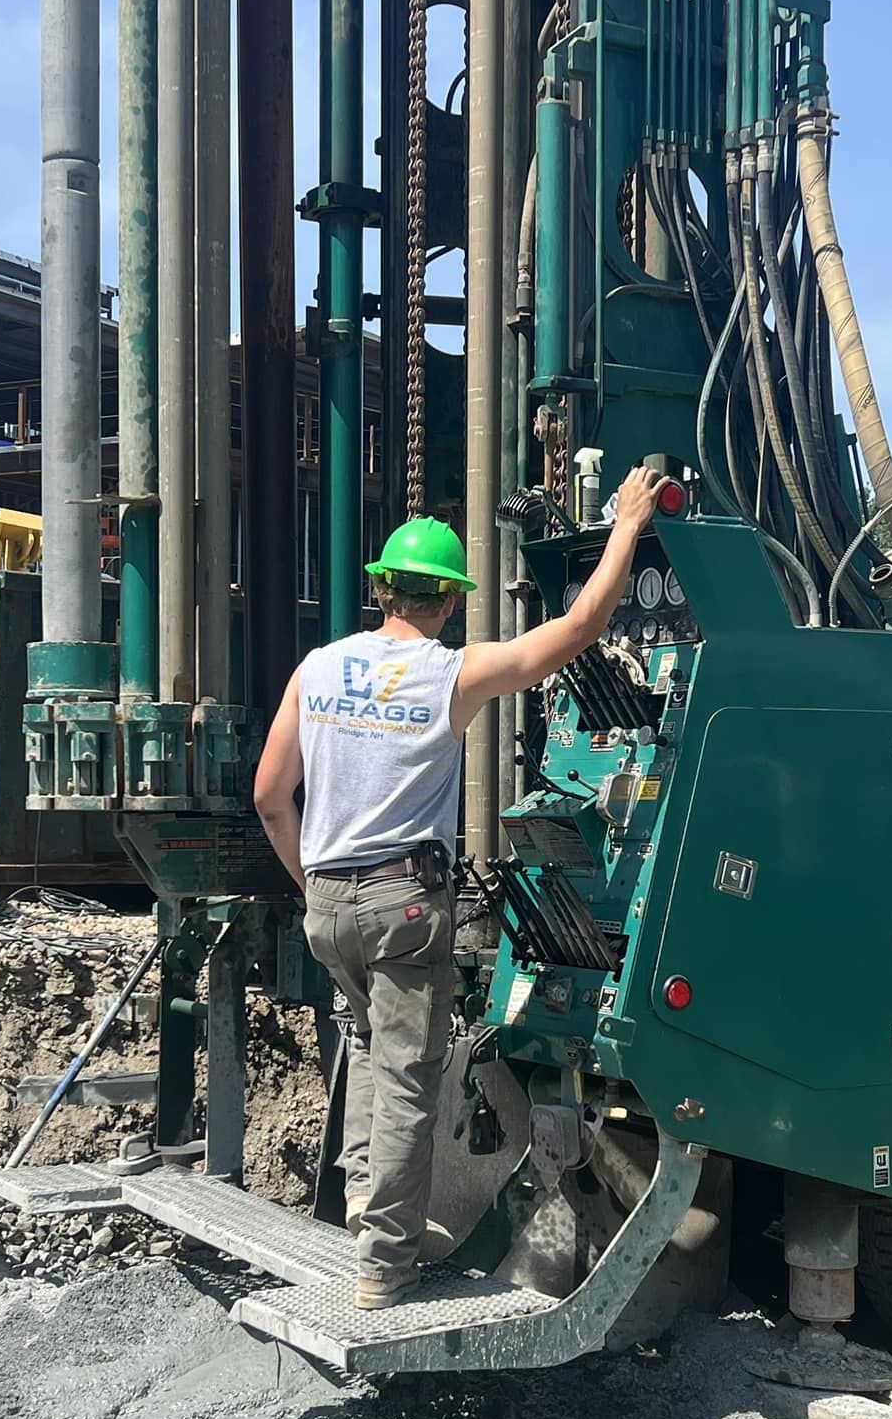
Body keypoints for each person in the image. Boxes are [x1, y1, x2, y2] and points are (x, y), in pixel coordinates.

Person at [254, 465, 667, 1310]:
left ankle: (365, 1204)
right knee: (409, 1075)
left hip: (326, 899)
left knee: (366, 1045)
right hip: (404, 903)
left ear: (382, 589)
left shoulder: (317, 670)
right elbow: (580, 628)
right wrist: (626, 525)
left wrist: (314, 888)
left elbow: (269, 795)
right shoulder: (451, 674)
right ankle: (385, 1265)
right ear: (447, 600)